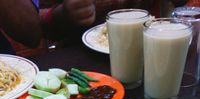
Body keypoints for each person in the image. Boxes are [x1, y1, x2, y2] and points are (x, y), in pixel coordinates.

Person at [40, 0, 188, 41]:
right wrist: (63, 14)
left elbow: (180, 3)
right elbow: (34, 30)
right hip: (81, 63)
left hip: (153, 51)